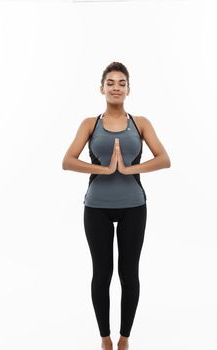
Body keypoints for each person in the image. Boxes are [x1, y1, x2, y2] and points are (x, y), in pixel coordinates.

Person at [62, 62, 171, 350]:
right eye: (110, 82)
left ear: (128, 89)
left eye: (121, 83)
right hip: (96, 207)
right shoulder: (89, 123)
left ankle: (124, 338)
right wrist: (104, 170)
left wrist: (130, 167)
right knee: (102, 272)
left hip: (134, 206)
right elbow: (67, 161)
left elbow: (164, 158)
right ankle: (105, 338)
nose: (116, 87)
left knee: (128, 273)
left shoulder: (141, 123)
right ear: (102, 88)